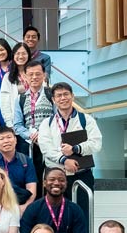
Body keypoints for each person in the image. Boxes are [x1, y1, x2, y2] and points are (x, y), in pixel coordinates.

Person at [38, 82, 101, 218]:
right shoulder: (47, 123)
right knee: (55, 216)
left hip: (82, 175)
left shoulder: (86, 120)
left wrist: (75, 149)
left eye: (66, 94)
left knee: (83, 216)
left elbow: (96, 143)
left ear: (72, 96)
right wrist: (64, 160)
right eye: (59, 96)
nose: (63, 98)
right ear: (54, 100)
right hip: (56, 176)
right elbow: (46, 148)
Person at [20, 168, 87, 233]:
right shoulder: (33, 209)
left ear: (66, 184)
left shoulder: (75, 210)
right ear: (44, 183)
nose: (56, 183)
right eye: (52, 179)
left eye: (61, 180)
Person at [11, 62, 54, 181]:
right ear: (25, 76)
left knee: (49, 177)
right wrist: (30, 135)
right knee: (31, 177)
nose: (34, 77)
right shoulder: (21, 98)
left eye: (38, 74)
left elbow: (56, 118)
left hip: (49, 142)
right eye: (30, 74)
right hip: (29, 144)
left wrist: (42, 133)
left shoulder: (51, 94)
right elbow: (18, 125)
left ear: (44, 75)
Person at [0, 126, 37, 211]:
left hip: (21, 204)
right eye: (1, 138)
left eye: (9, 137)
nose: (6, 141)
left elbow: (31, 189)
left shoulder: (26, 160)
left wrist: (24, 207)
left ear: (15, 140)